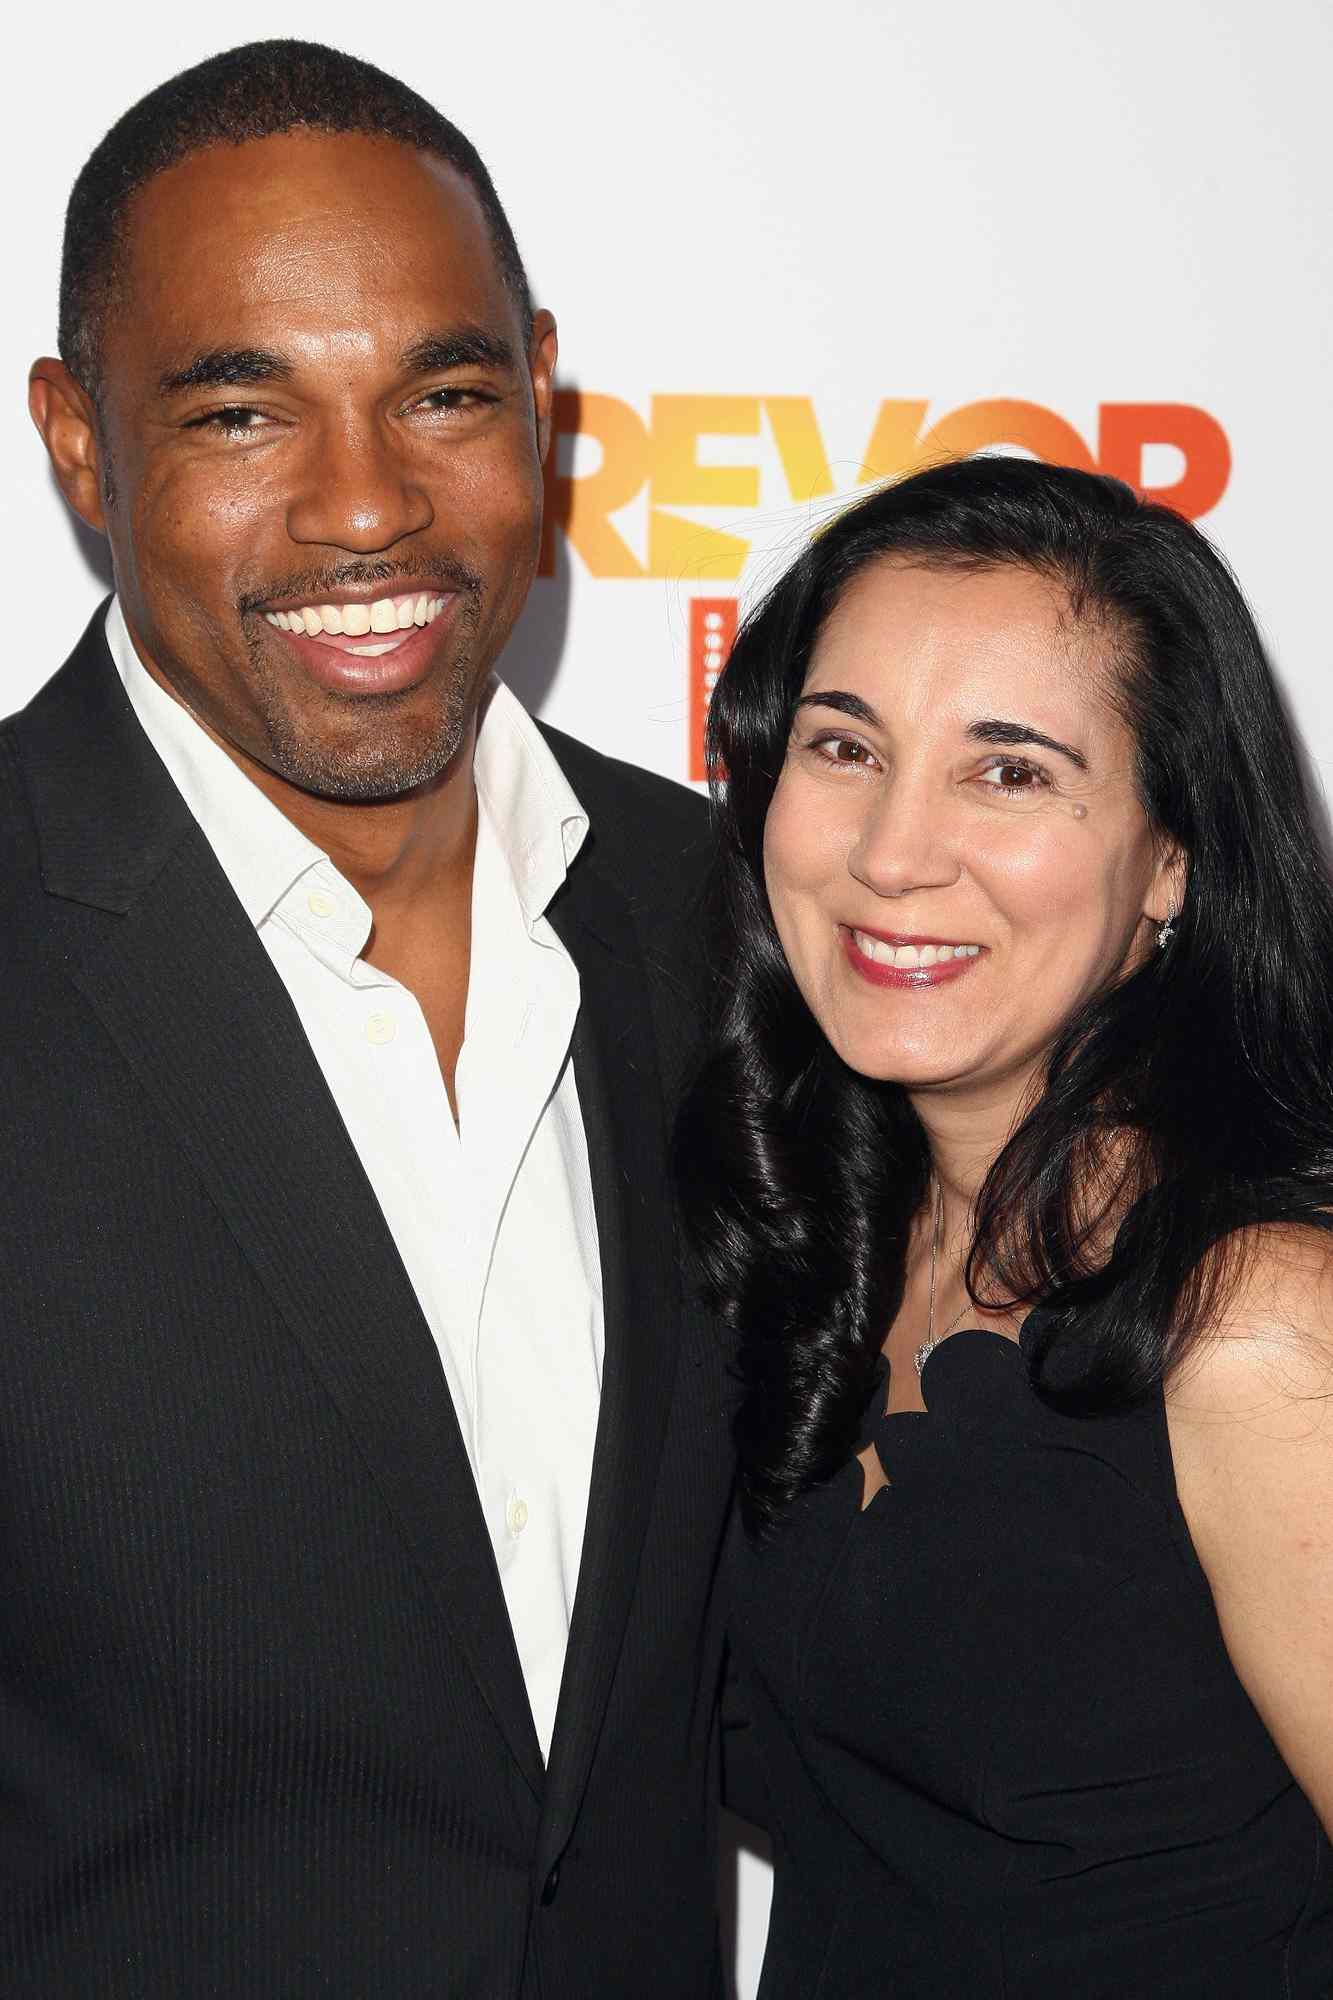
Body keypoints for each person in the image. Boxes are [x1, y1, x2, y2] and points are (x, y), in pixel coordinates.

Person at [7, 39, 735, 1998]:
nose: (366, 508)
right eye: (244, 410)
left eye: (441, 391)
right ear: (79, 442)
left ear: (545, 400)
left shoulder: (734, 922)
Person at [680, 455, 1333, 1996]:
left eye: (1010, 771)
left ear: (1170, 860)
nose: (892, 854)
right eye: (843, 747)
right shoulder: (808, 1246)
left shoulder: (1252, 1322)